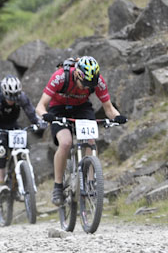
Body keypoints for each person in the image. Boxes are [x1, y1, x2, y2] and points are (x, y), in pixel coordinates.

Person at [34, 55, 127, 206]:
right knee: (65, 143)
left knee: (90, 141)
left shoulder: (98, 81)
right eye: (83, 84)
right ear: (77, 74)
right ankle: (58, 186)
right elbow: (40, 106)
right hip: (58, 109)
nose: (85, 88)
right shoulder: (60, 77)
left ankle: (90, 182)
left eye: (89, 85)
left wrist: (118, 117)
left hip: (81, 108)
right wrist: (45, 115)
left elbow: (109, 109)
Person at [0, 75, 47, 200]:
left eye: (14, 96)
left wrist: (39, 122)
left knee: (24, 147)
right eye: (9, 96)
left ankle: (21, 181)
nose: (12, 100)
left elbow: (31, 113)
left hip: (12, 126)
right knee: (1, 149)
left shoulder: (21, 97)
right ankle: (1, 184)